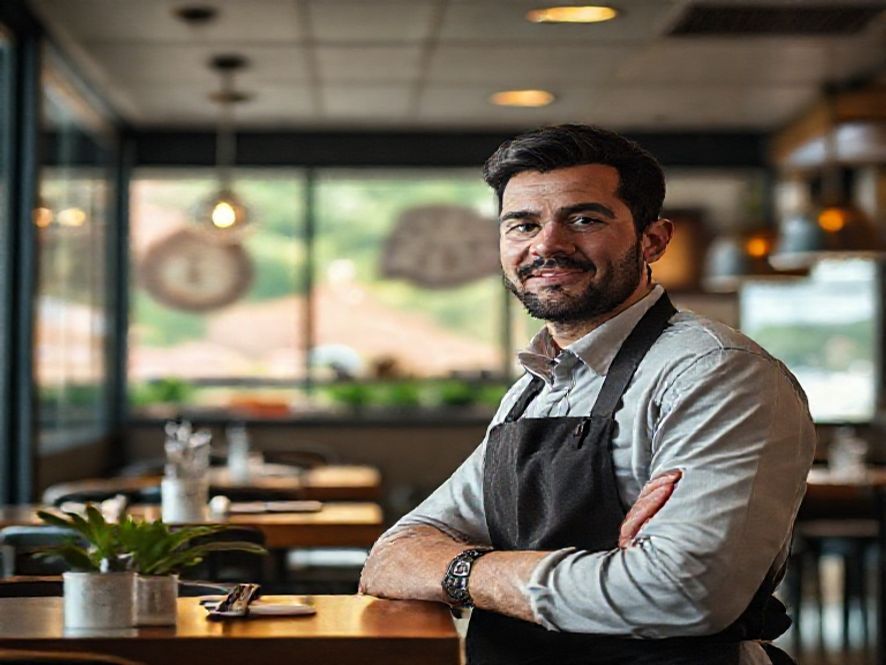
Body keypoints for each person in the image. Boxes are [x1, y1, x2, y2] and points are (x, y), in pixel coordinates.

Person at [359, 124, 816, 665]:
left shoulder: (716, 374)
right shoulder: (536, 386)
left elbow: (682, 594)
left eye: (584, 219)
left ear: (653, 239)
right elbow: (392, 558)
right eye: (523, 224)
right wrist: (604, 572)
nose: (547, 244)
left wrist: (462, 570)